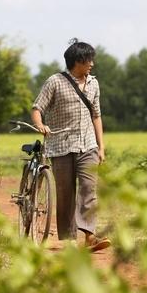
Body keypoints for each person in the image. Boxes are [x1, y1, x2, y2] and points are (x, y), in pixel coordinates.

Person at [31, 38, 110, 252]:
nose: (92, 64)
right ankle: (69, 239)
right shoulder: (55, 82)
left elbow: (96, 116)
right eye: (88, 60)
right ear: (77, 61)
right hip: (61, 146)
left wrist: (101, 146)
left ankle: (90, 236)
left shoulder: (94, 84)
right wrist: (40, 124)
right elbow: (37, 107)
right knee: (65, 192)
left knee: (88, 188)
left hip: (88, 145)